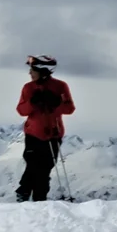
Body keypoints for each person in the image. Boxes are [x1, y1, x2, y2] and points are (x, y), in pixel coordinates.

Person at [15, 54, 75, 203]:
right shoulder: (28, 88)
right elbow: (21, 110)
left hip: (53, 134)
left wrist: (56, 103)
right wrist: (32, 102)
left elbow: (69, 108)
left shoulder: (60, 86)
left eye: (32, 70)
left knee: (45, 167)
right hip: (34, 134)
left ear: (43, 71)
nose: (30, 73)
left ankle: (37, 198)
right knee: (33, 164)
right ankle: (25, 193)